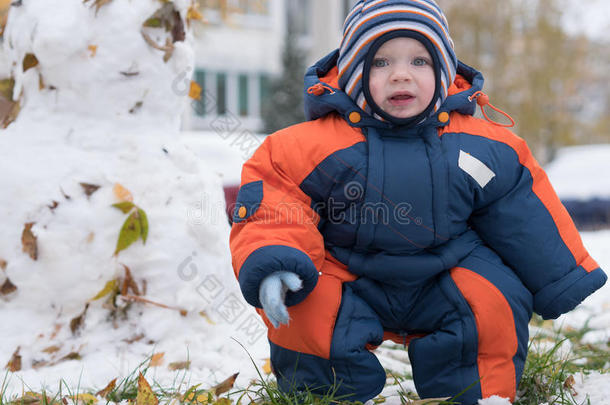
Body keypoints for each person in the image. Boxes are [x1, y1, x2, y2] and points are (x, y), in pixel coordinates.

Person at [229, 1, 607, 403]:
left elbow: (520, 207)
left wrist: (561, 279)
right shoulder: (309, 145)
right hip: (348, 274)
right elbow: (274, 199)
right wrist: (275, 262)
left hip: (446, 271)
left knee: (493, 299)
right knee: (306, 304)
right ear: (355, 74)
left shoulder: (480, 143)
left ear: (444, 71)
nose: (401, 74)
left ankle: (474, 392)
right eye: (380, 63)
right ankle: (326, 390)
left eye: (420, 61)